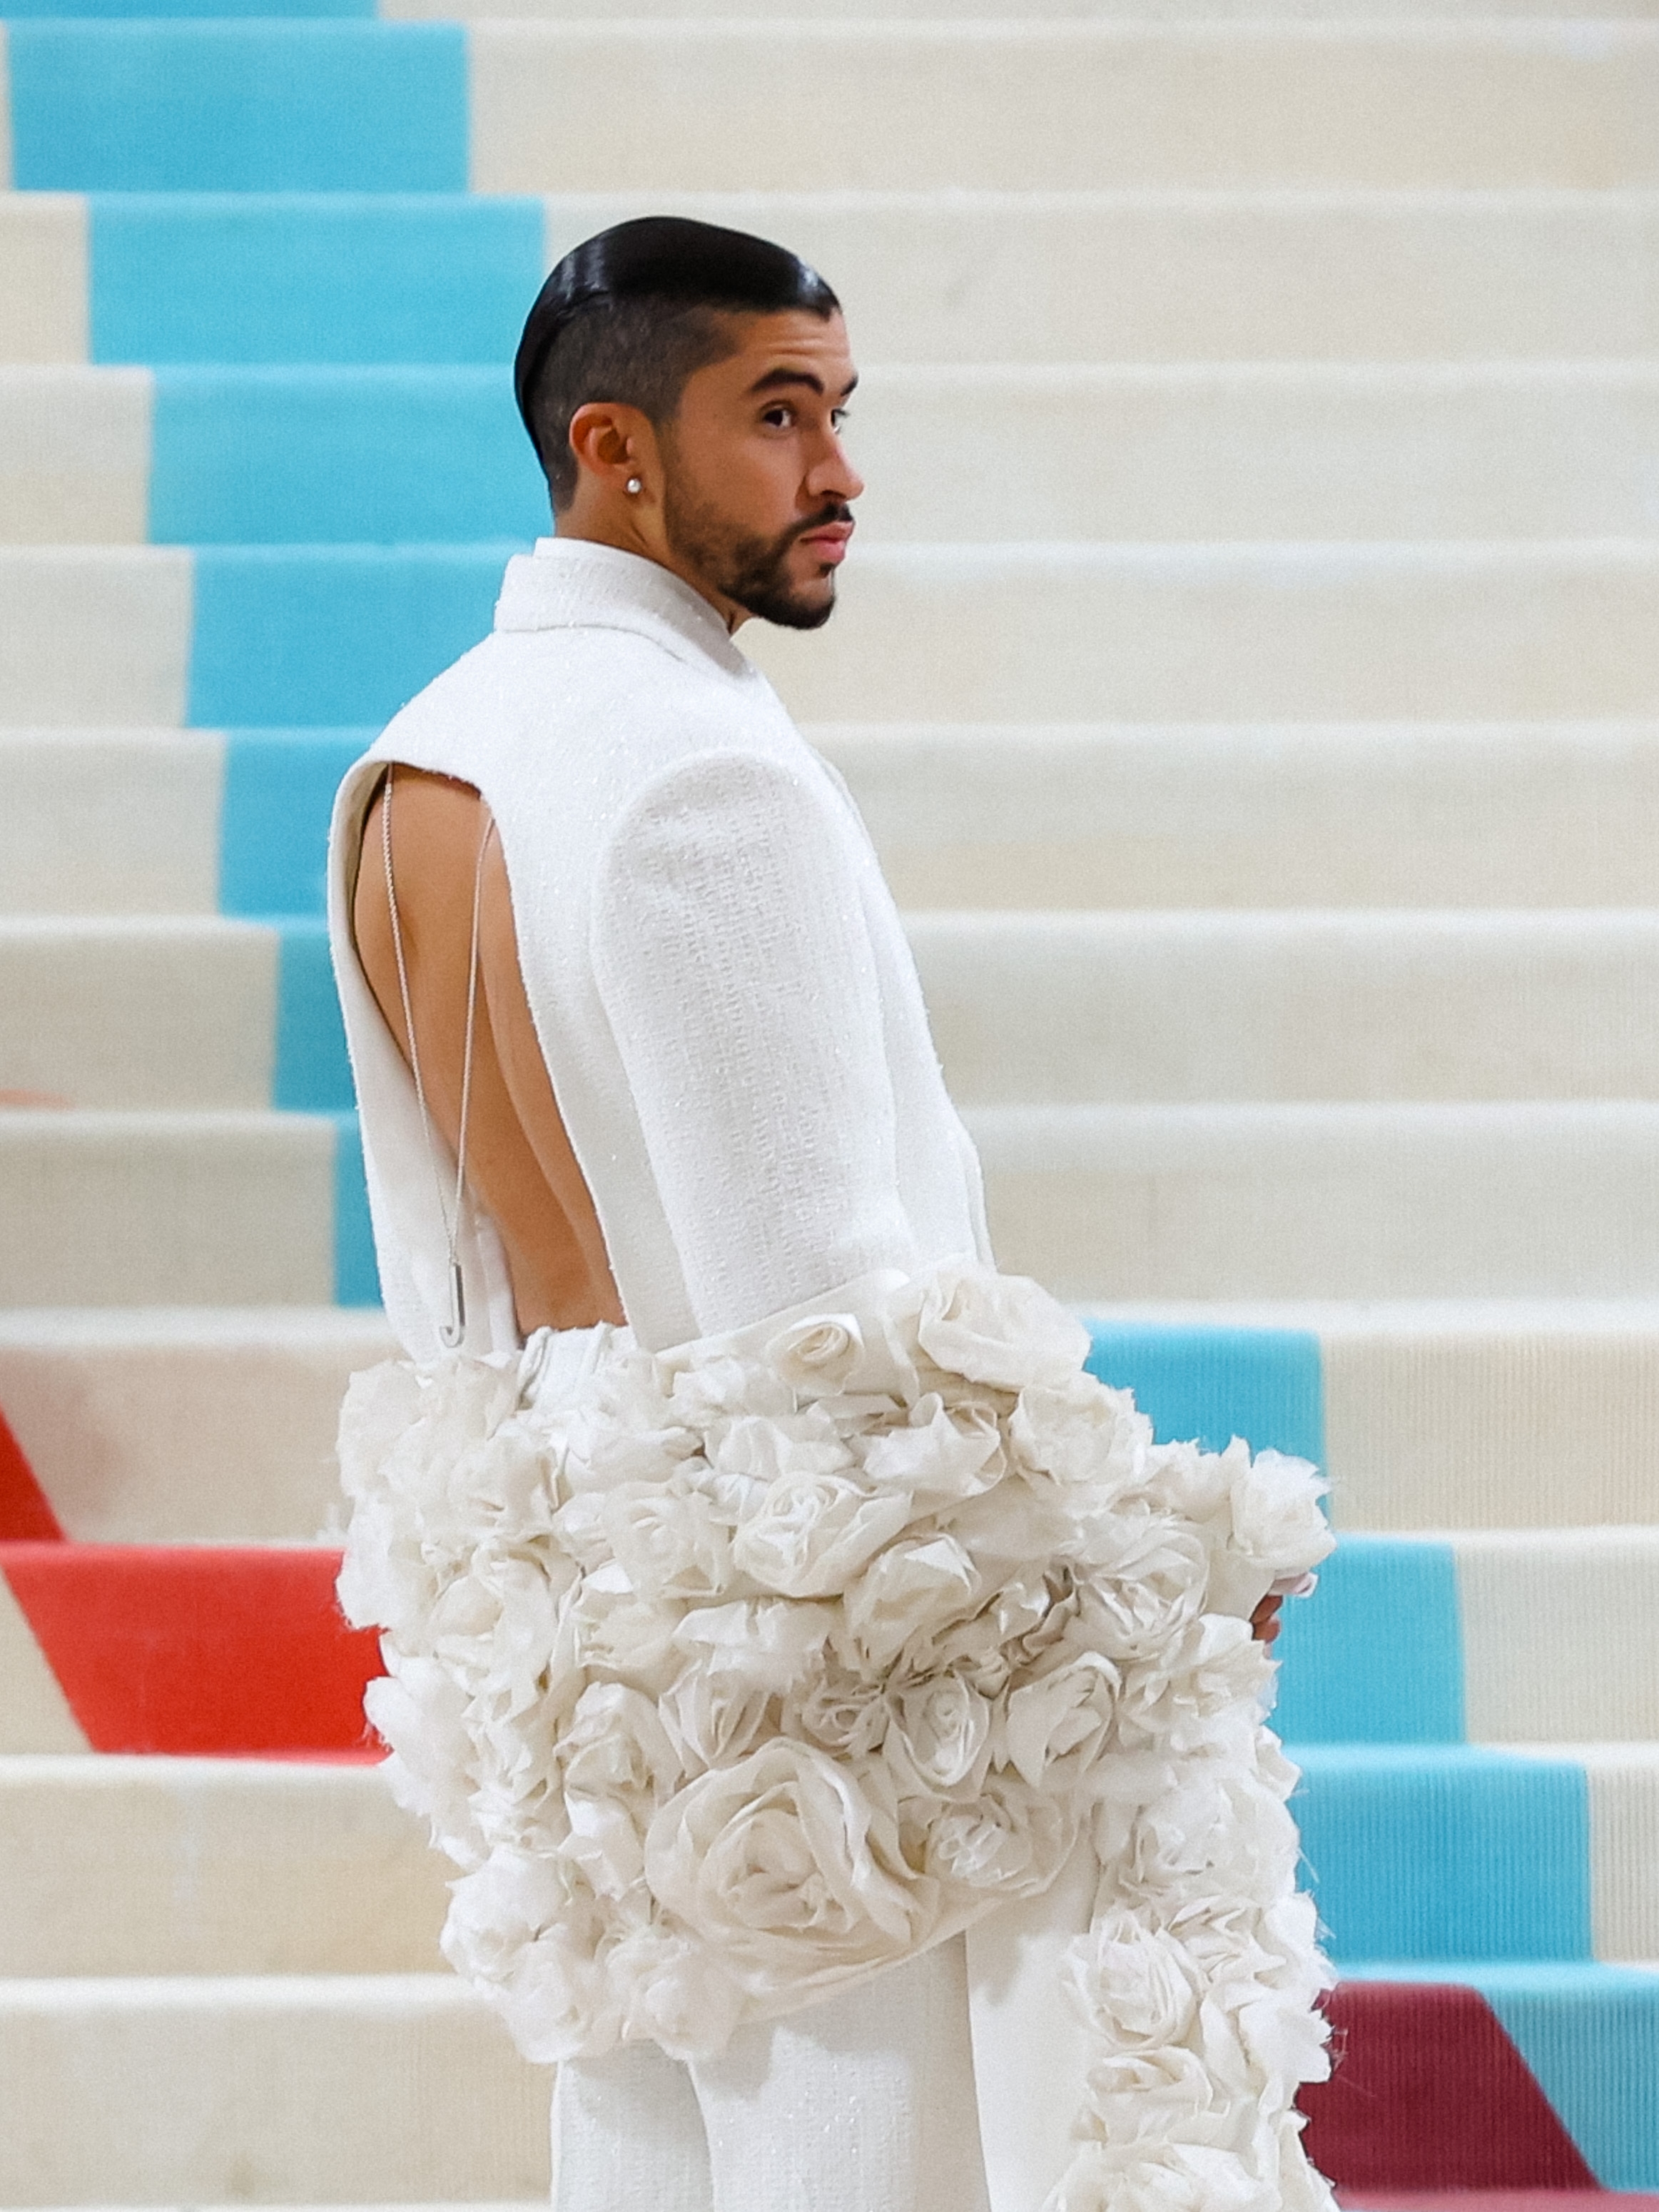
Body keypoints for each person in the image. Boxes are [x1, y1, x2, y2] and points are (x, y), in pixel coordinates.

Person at [328, 218, 1332, 2212]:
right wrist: (1139, 1575)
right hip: (832, 1736)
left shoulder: (416, 762)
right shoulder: (699, 771)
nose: (841, 472)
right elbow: (833, 1345)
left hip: (602, 1702)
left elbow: (467, 1306)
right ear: (615, 444)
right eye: (778, 417)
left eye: (842, 411)